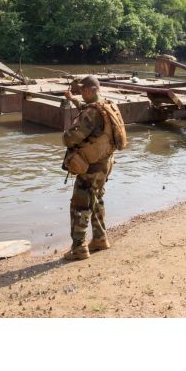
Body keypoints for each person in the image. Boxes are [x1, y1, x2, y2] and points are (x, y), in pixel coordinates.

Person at [61, 75, 117, 261]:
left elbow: (72, 138)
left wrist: (66, 135)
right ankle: (100, 239)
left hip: (91, 167)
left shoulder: (91, 113)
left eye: (84, 90)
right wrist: (73, 99)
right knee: (97, 199)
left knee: (80, 205)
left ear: (92, 90)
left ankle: (79, 248)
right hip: (105, 164)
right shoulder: (106, 105)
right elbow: (88, 113)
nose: (82, 92)